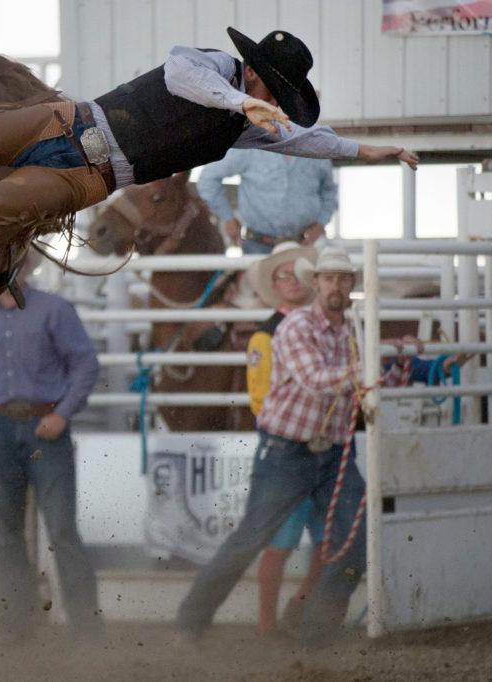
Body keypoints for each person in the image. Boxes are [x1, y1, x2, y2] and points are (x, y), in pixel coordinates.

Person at [0, 28, 418, 353]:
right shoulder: (214, 72)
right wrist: (242, 105)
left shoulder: (244, 124)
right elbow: (181, 75)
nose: (270, 100)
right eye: (270, 89)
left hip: (86, 176)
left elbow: (312, 141)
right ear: (254, 71)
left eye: (274, 96)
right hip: (69, 122)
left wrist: (372, 151)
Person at [176, 246, 412, 648]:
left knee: (355, 545)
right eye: (328, 278)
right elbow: (316, 379)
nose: (335, 286)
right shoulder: (298, 327)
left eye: (342, 278)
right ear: (316, 283)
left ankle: (315, 635)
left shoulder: (354, 330)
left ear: (351, 284)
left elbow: (368, 385)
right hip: (289, 450)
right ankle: (190, 621)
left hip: (334, 451)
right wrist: (376, 360)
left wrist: (397, 359)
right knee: (251, 539)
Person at [0, 255, 103, 642]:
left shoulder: (55, 309)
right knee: (6, 533)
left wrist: (63, 414)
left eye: (15, 264)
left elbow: (85, 364)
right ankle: (18, 624)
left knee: (61, 529)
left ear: (26, 269)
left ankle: (86, 626)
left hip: (44, 429)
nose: (9, 272)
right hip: (1, 430)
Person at [243, 242, 326, 637]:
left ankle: (293, 611)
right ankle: (267, 624)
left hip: (320, 443)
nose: (292, 280)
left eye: (299, 272)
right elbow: (259, 398)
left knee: (330, 541)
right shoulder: (266, 335)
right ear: (274, 284)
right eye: (283, 274)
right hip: (288, 446)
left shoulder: (324, 325)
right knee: (280, 543)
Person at [198, 148, 337, 254]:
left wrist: (321, 223)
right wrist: (228, 218)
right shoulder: (250, 146)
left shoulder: (316, 147)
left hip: (307, 245)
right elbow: (208, 179)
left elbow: (329, 191)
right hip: (258, 246)